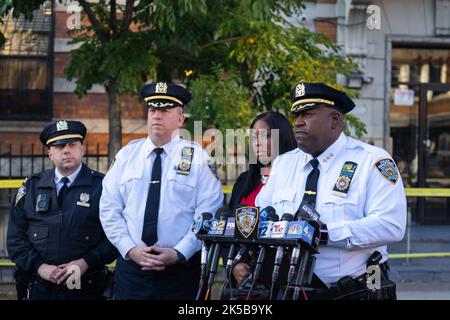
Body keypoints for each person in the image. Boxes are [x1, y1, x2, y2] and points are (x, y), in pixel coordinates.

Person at [255, 82, 407, 300]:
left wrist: (322, 234)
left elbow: (391, 225)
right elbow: (262, 214)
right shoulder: (284, 164)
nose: (298, 122)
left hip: (355, 290)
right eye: (296, 115)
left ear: (334, 120)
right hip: (290, 289)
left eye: (307, 114)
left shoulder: (372, 160)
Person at [100, 82, 224, 300]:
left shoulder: (198, 159)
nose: (157, 115)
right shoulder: (126, 156)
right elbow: (109, 209)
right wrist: (129, 249)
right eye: (152, 110)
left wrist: (179, 252)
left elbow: (208, 214)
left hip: (180, 273)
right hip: (132, 271)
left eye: (164, 110)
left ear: (180, 119)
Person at [7, 120, 118, 300]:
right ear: (50, 153)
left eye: (72, 145)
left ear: (82, 149)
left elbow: (116, 236)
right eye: (59, 146)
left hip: (86, 289)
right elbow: (15, 240)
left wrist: (85, 263)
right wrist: (40, 267)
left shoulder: (102, 187)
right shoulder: (32, 188)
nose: (66, 150)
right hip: (39, 288)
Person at [228, 111, 297, 289]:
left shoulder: (296, 179)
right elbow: (228, 228)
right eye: (253, 137)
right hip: (243, 280)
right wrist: (234, 266)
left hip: (280, 277)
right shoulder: (244, 181)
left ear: (282, 138)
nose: (257, 142)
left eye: (266, 135)